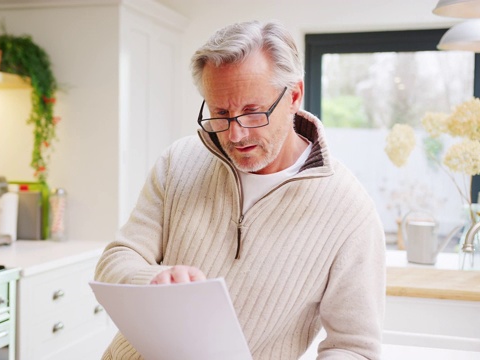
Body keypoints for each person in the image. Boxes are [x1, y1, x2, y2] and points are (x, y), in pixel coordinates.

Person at [95, 20, 385, 359]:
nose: (235, 135)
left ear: (294, 95)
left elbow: (354, 347)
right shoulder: (179, 162)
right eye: (220, 113)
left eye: (252, 112)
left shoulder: (350, 212)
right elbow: (115, 260)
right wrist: (156, 281)